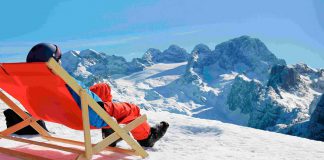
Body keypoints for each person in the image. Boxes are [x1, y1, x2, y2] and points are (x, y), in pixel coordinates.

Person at [26, 43, 169, 147]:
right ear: (54, 62)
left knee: (102, 88)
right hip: (87, 116)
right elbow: (77, 96)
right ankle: (146, 138)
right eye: (58, 58)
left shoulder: (32, 84)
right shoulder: (60, 81)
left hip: (66, 112)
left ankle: (111, 134)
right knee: (132, 109)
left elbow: (70, 98)